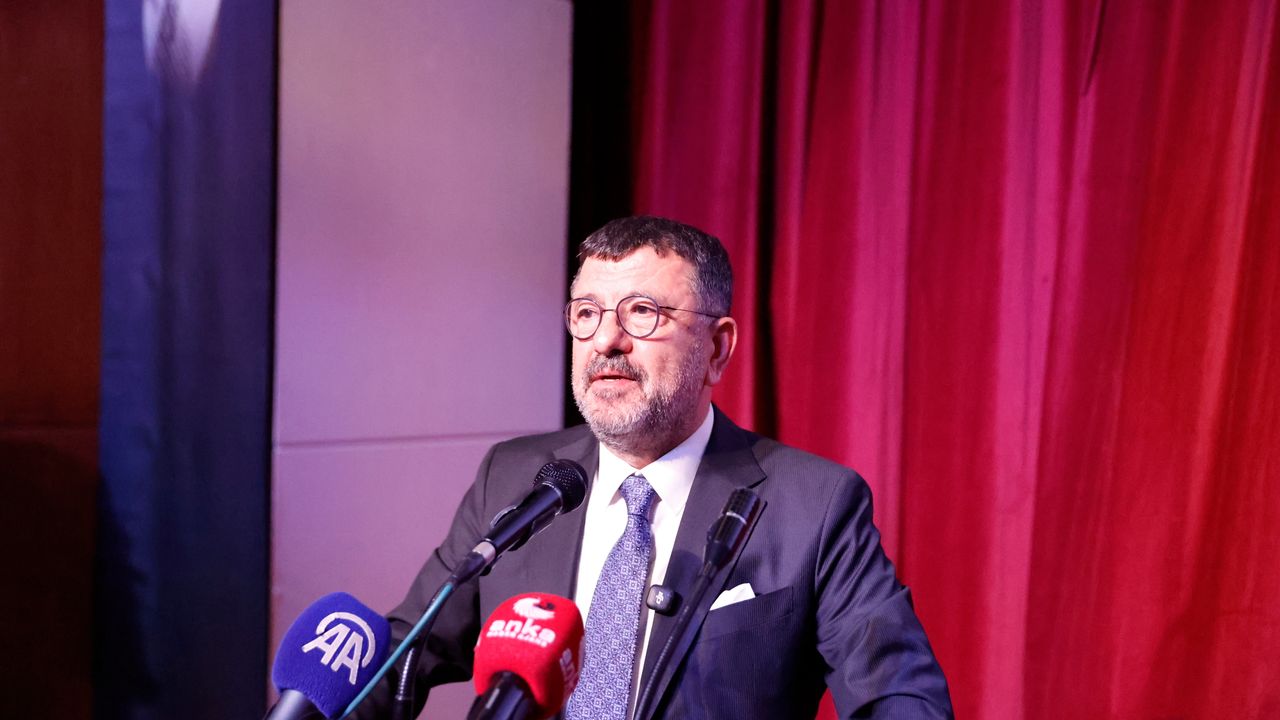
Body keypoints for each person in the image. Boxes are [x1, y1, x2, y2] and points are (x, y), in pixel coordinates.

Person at [360, 216, 953, 719]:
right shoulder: (514, 478)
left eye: (642, 312)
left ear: (716, 348)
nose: (606, 341)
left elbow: (901, 697)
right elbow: (404, 652)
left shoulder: (812, 505)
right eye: (586, 313)